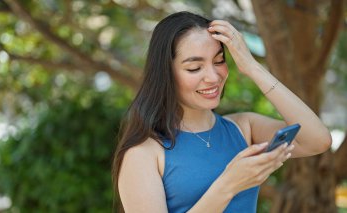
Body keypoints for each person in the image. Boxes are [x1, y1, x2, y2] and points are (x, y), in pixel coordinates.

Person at [112, 11, 332, 213]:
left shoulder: (243, 128)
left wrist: (252, 68)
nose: (214, 77)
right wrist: (228, 185)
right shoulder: (144, 153)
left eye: (219, 61)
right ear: (165, 73)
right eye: (194, 68)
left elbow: (317, 140)